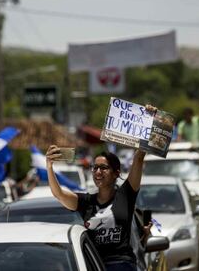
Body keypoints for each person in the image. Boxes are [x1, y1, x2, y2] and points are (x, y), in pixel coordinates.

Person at [46, 106, 156, 271]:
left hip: (122, 264)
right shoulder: (86, 201)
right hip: (94, 265)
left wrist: (149, 120)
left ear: (115, 173)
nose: (98, 172)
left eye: (103, 168)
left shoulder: (125, 195)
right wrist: (49, 166)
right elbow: (59, 194)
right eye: (95, 167)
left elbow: (139, 157)